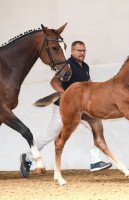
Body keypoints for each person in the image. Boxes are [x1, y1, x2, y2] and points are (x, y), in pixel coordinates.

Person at [20, 41, 112, 178]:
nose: (82, 53)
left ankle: (95, 161)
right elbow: (54, 82)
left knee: (96, 125)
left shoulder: (85, 66)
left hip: (80, 109)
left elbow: (89, 85)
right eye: (79, 50)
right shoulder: (67, 65)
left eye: (84, 51)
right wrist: (66, 95)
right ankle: (27, 157)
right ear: (72, 51)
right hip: (62, 108)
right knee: (49, 136)